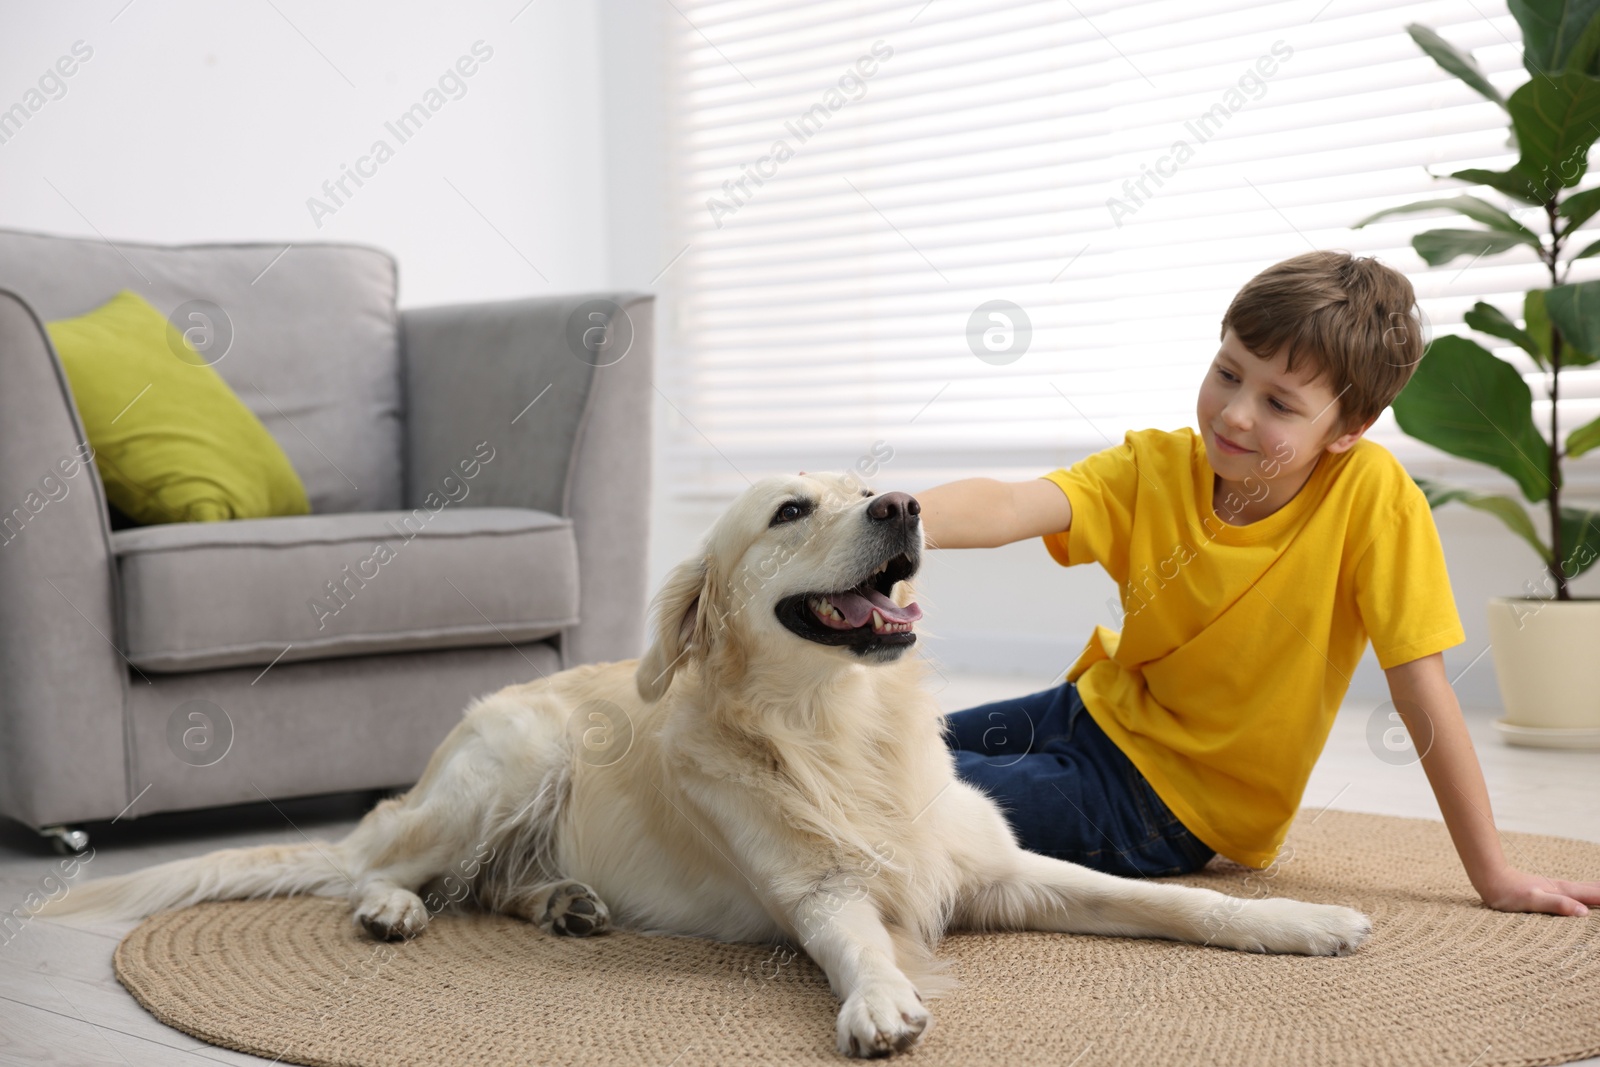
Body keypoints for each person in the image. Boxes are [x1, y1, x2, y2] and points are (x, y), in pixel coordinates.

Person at [914, 249, 1599, 917]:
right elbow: (1008, 506)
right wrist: (876, 523)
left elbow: (1421, 687)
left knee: (896, 795)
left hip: (1167, 803)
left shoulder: (1374, 498)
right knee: (871, 744)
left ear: (1347, 428)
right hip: (1088, 710)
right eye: (1227, 372)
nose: (1235, 413)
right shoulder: (1153, 465)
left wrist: (1495, 873)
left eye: (1278, 402)